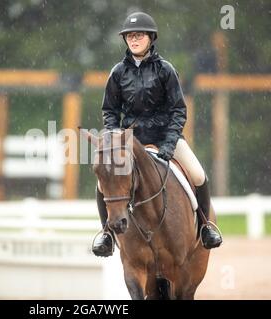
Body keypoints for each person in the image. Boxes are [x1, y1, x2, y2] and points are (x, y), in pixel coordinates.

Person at [92, 11, 222, 257]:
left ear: (151, 38)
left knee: (198, 174)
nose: (134, 39)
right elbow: (110, 111)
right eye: (130, 36)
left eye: (139, 35)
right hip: (131, 142)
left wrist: (169, 144)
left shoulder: (166, 70)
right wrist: (114, 138)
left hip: (165, 138)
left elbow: (178, 111)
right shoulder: (118, 73)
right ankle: (107, 234)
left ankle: (206, 226)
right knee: (102, 183)